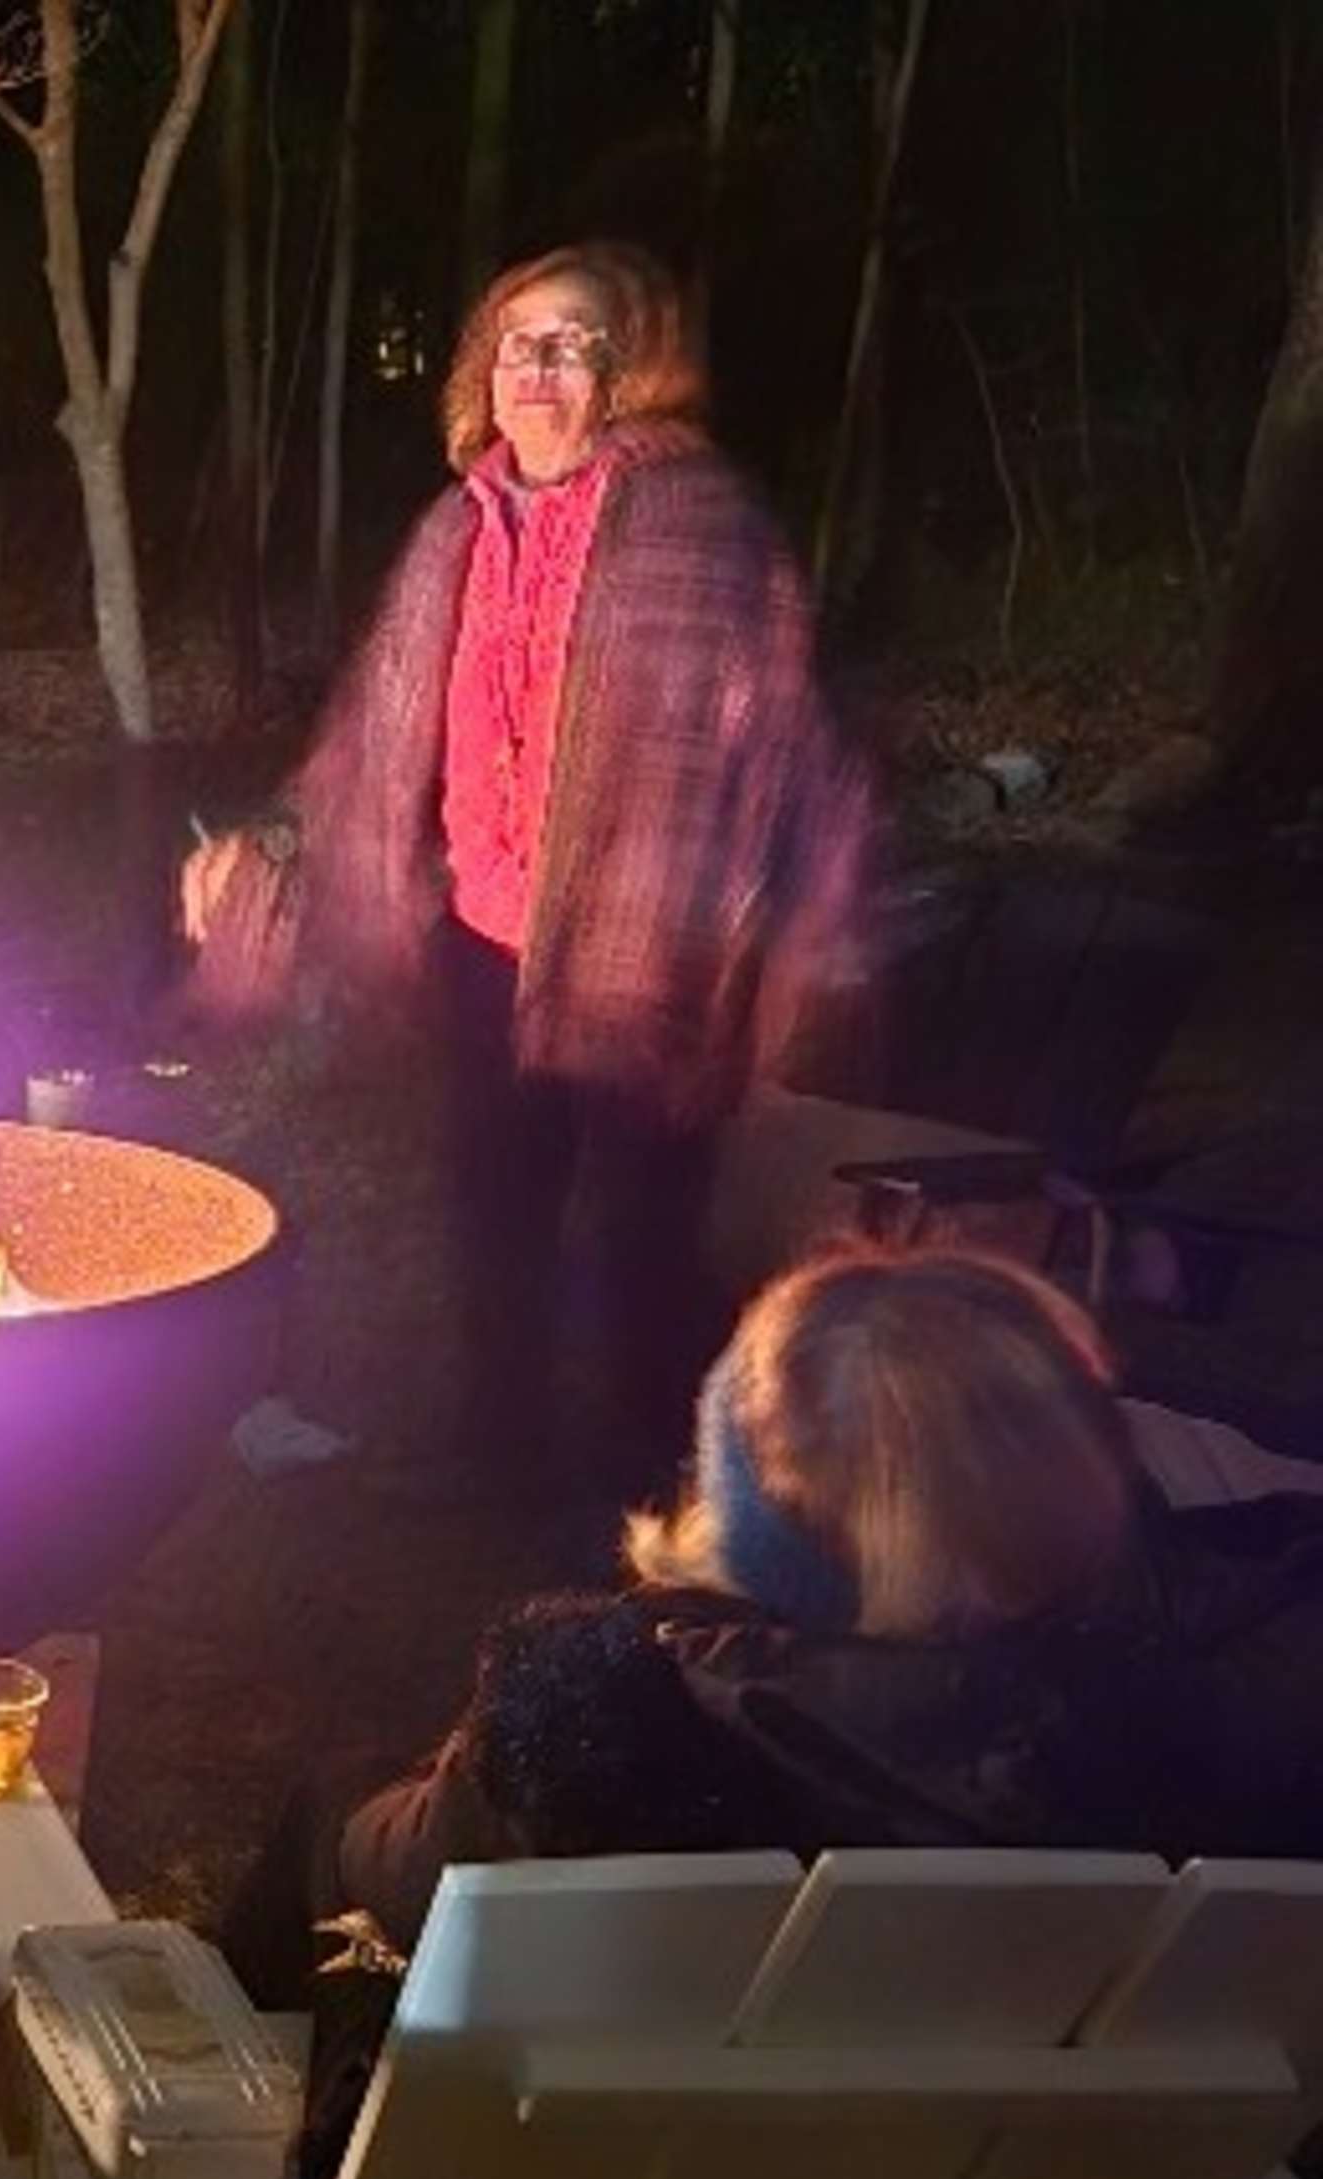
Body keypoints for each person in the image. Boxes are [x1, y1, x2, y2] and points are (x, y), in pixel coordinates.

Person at [218, 1244, 1323, 2179]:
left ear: (750, 1524)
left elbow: (396, 1886)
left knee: (339, 1813)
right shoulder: (1214, 1748)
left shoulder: (602, 1734)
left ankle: (207, 2100)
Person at [181, 241, 873, 1495]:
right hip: (486, 935)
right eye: (515, 344)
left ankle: (669, 1483)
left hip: (645, 941)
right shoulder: (457, 526)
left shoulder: (694, 524)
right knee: (493, 1209)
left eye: (570, 346)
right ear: (480, 369)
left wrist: (812, 922)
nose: (537, 371)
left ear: (623, 371)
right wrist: (278, 837)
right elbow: (379, 724)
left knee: (644, 1232)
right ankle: (499, 1455)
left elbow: (779, 730)